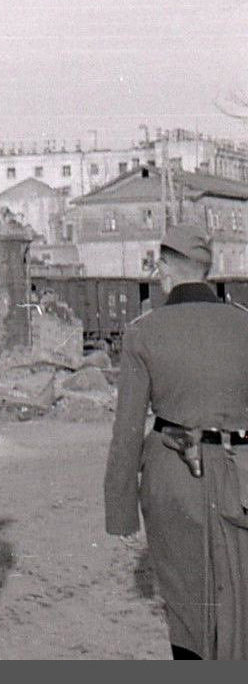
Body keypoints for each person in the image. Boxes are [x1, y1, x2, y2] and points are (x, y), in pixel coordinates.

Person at [104, 223, 248, 660]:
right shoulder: (244, 325)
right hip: (241, 476)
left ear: (166, 268)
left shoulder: (144, 332)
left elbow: (128, 429)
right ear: (209, 270)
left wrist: (121, 512)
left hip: (173, 480)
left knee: (187, 604)